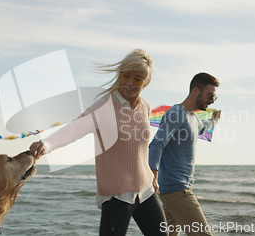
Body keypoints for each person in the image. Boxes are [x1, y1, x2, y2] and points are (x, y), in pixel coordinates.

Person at [30, 49, 168, 236]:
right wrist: (47, 144)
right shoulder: (104, 106)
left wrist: (153, 175)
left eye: (137, 79)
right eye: (126, 75)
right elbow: (75, 127)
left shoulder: (145, 107)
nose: (129, 82)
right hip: (117, 196)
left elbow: (140, 148)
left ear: (146, 82)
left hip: (146, 191)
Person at [148, 73, 221, 236]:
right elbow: (156, 144)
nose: (212, 101)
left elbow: (203, 127)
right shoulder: (176, 113)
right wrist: (153, 175)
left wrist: (214, 121)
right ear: (196, 91)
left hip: (173, 190)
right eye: (210, 96)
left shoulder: (193, 118)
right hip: (177, 189)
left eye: (215, 98)